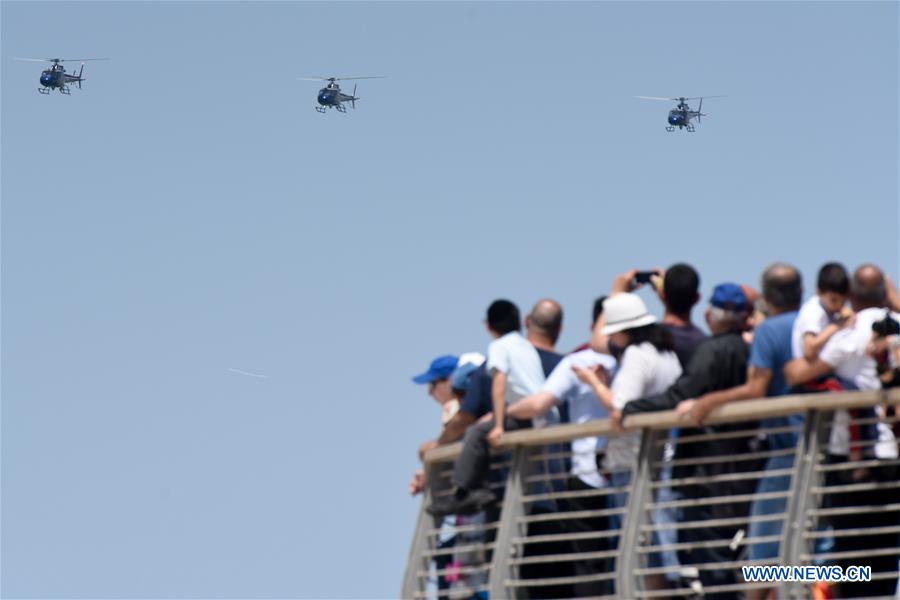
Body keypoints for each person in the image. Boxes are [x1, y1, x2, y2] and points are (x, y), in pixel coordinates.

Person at [621, 283, 760, 597]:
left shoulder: (711, 350)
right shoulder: (747, 349)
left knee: (710, 559)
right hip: (739, 468)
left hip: (707, 473)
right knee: (730, 557)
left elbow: (681, 394)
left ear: (711, 313)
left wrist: (631, 407)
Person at [685, 263, 802, 600]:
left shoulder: (771, 331)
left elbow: (756, 388)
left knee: (763, 550)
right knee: (810, 541)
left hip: (785, 450)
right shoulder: (812, 325)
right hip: (822, 446)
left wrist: (707, 401)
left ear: (767, 297)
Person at [784, 264, 900, 598]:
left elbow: (798, 373)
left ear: (851, 295)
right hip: (891, 456)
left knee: (852, 552)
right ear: (885, 291)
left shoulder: (854, 330)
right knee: (886, 554)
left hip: (855, 459)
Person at [507, 302, 617, 597]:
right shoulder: (637, 358)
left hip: (584, 476)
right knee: (626, 552)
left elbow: (539, 404)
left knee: (588, 562)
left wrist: (503, 415)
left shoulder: (577, 362)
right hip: (629, 472)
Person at [576, 291, 682, 594]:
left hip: (631, 461)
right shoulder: (666, 353)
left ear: (623, 331)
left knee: (639, 548)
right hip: (661, 458)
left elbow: (619, 409)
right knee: (659, 541)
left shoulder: (636, 355)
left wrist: (594, 383)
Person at [427, 299, 557, 517]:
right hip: (542, 414)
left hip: (527, 414)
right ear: (520, 322)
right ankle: (476, 490)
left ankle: (465, 492)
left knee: (476, 432)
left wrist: (497, 424)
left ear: (488, 326)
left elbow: (499, 382)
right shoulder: (525, 345)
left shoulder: (499, 346)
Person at [791, 262, 853, 362]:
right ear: (818, 292)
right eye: (833, 300)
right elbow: (809, 349)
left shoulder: (828, 310)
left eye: (843, 300)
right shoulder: (814, 311)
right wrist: (837, 325)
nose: (839, 305)